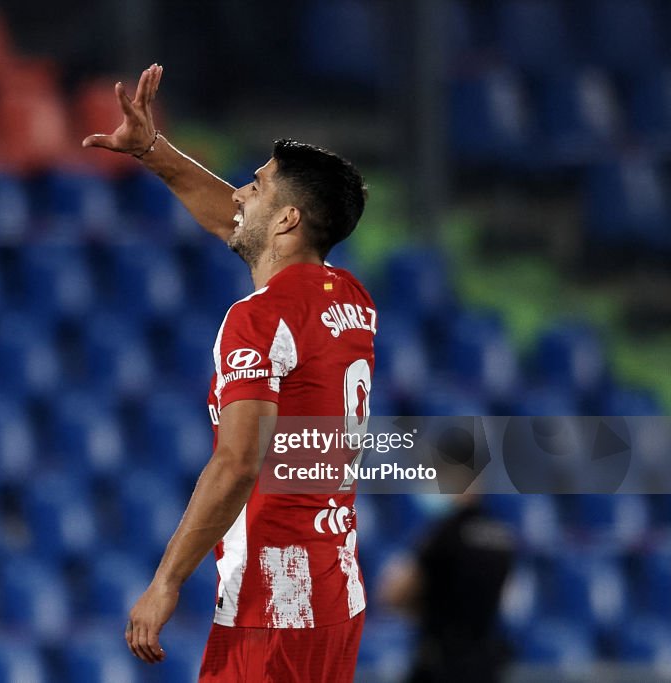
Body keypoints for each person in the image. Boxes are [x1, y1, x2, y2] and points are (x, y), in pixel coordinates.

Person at [84, 63, 375, 682]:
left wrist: (165, 584)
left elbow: (239, 463)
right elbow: (238, 226)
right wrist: (154, 152)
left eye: (256, 185)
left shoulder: (257, 319)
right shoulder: (349, 298)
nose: (239, 193)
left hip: (273, 604)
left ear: (289, 220)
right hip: (333, 591)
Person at [379, 493, 515, 683]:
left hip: (442, 662)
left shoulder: (445, 531)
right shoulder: (504, 536)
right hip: (484, 662)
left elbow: (395, 594)